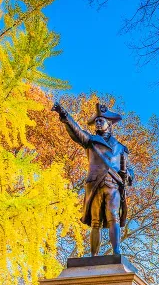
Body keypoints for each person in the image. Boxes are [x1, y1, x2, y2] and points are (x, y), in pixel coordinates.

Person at [51, 101, 133, 255]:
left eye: (101, 120)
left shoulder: (121, 148)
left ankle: (116, 252)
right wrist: (64, 114)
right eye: (96, 121)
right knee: (95, 222)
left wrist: (128, 174)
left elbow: (130, 169)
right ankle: (93, 255)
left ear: (109, 123)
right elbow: (77, 131)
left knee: (113, 217)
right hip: (95, 184)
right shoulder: (90, 140)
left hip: (113, 185)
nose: (97, 122)